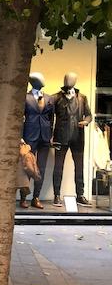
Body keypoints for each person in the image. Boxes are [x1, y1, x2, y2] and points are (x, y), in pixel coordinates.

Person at [52, 72, 92, 206]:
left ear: (75, 81)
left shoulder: (82, 98)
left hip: (77, 137)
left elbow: (89, 115)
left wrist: (86, 121)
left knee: (79, 167)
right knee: (58, 167)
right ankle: (56, 195)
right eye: (66, 78)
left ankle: (80, 194)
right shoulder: (56, 97)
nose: (67, 81)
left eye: (70, 79)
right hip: (60, 137)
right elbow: (49, 117)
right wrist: (50, 135)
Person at [21, 72, 54, 209]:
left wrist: (51, 134)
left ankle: (36, 197)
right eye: (40, 79)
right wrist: (21, 137)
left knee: (41, 168)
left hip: (44, 137)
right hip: (29, 136)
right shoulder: (25, 98)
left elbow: (51, 118)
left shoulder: (49, 98)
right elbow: (19, 118)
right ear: (33, 81)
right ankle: (23, 198)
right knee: (27, 167)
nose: (43, 80)